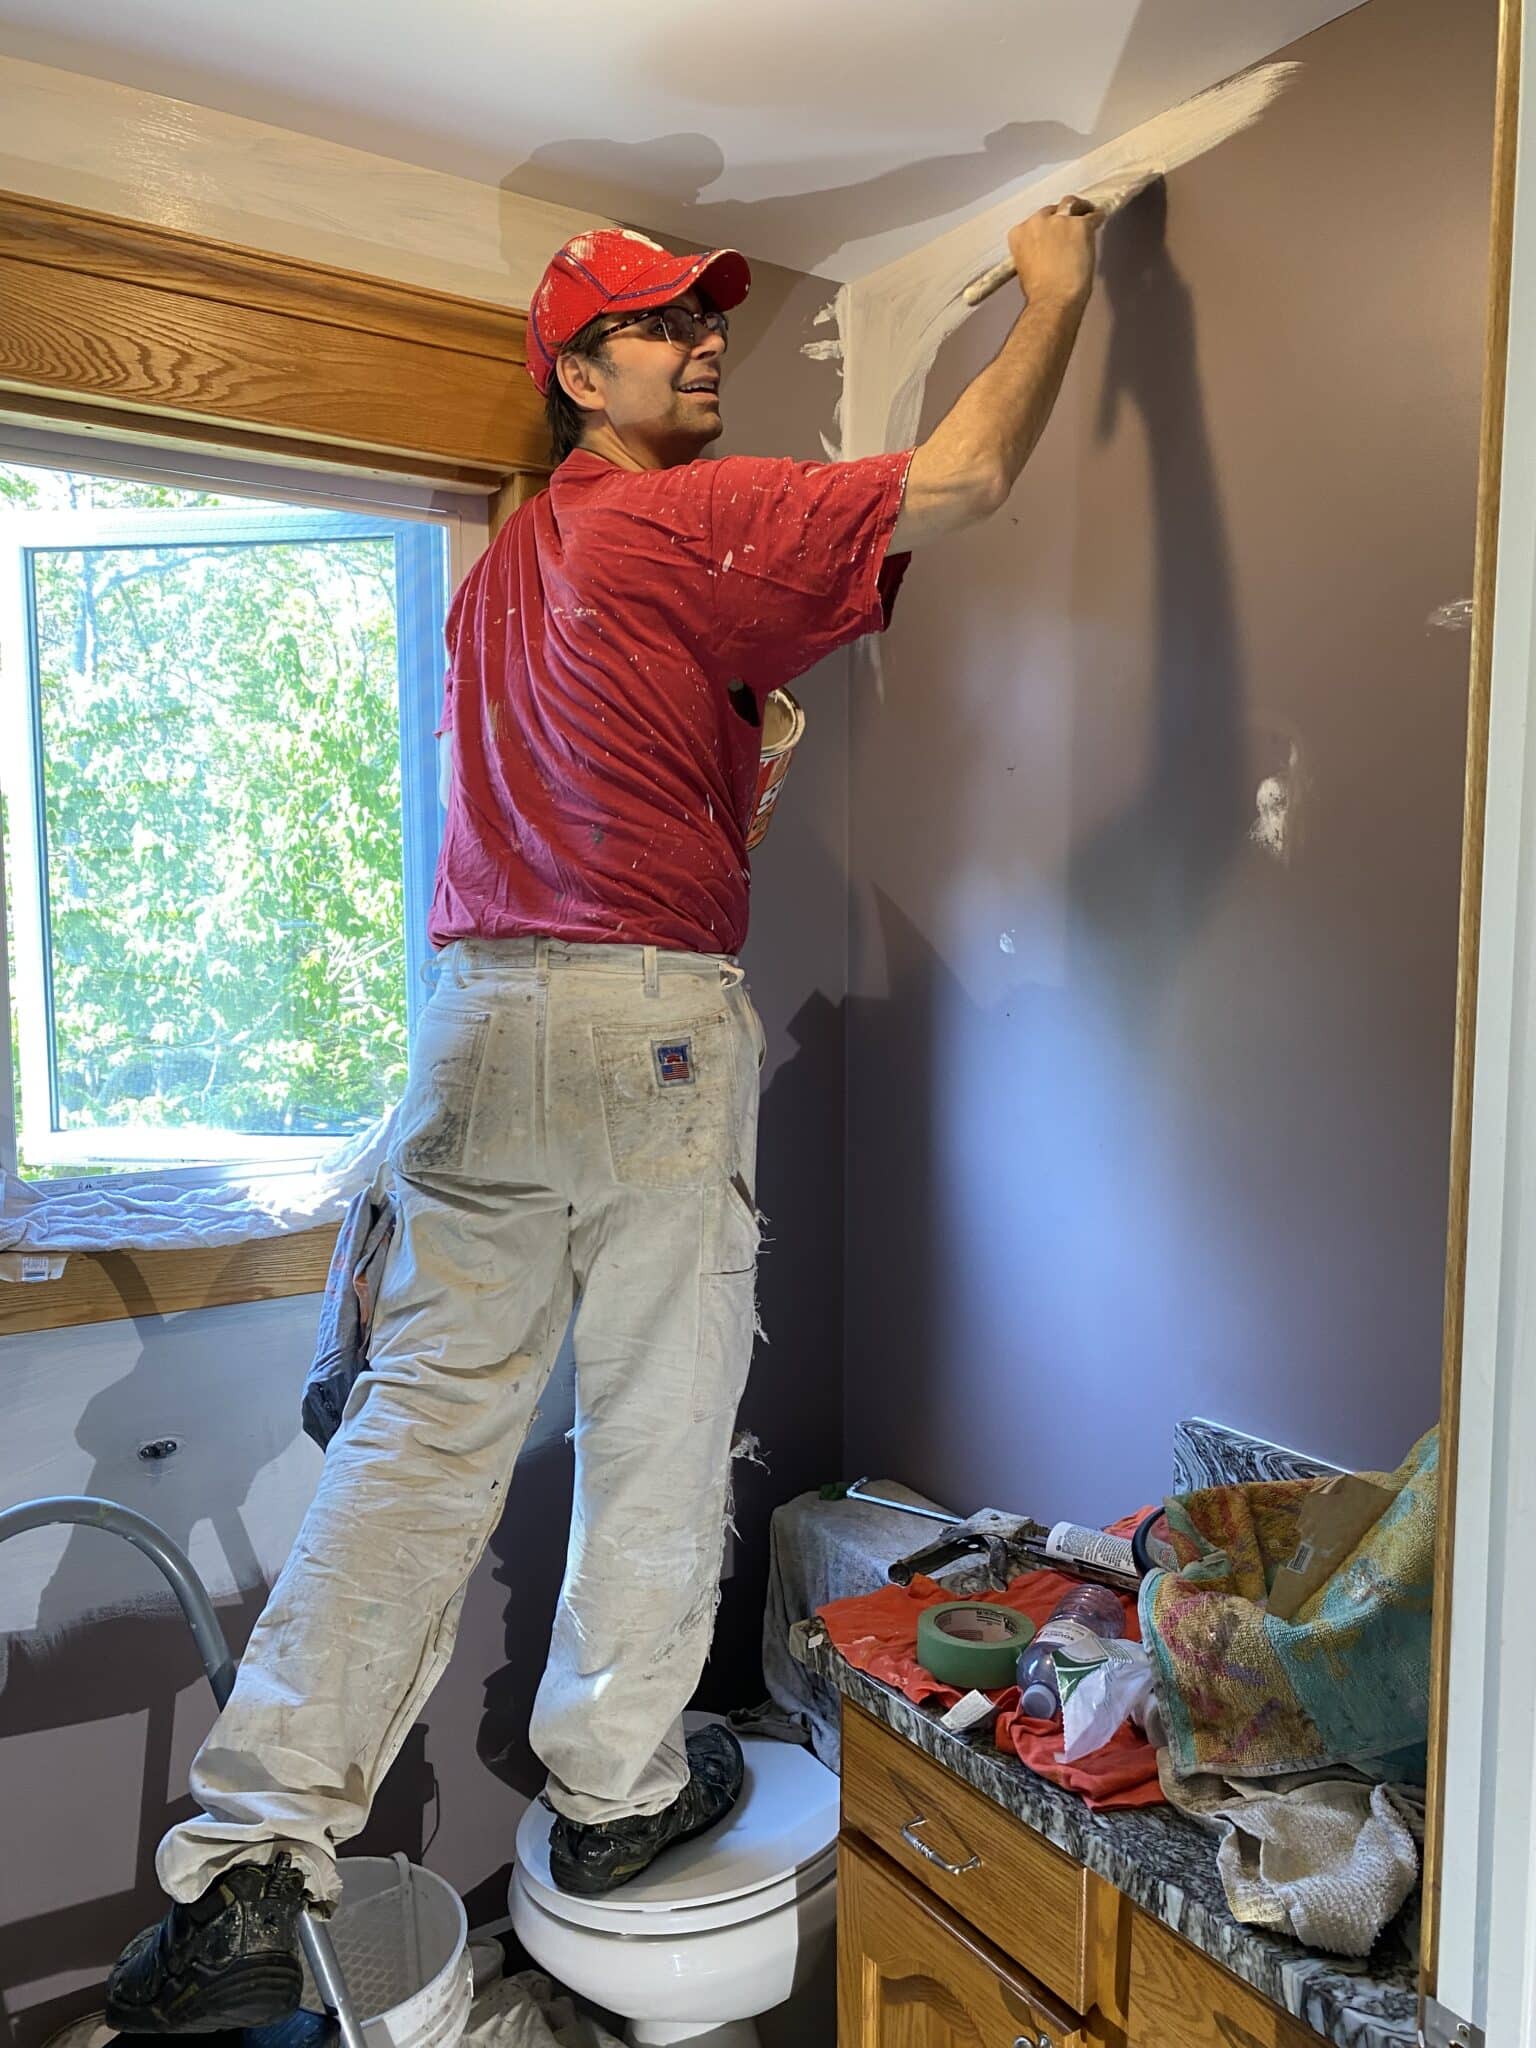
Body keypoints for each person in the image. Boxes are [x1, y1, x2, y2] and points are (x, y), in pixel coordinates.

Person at [106, 197, 1102, 2033]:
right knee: (661, 1420)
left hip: (476, 1026)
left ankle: (249, 1859)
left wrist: (741, 755)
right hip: (636, 1023)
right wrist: (1053, 294)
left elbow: (666, 763)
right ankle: (624, 1794)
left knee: (417, 1444)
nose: (704, 342)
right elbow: (953, 488)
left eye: (708, 317)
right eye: (658, 326)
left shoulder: (510, 583)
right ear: (577, 374)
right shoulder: (674, 514)